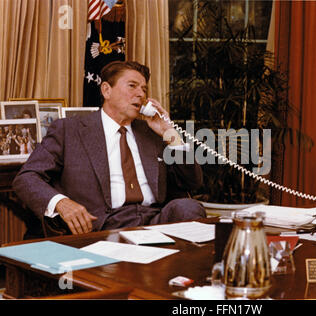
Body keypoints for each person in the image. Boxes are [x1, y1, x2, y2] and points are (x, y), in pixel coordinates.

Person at [13, 60, 205, 236]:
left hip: (154, 220)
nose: (141, 94)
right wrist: (61, 203)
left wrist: (170, 133)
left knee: (188, 208)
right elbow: (26, 178)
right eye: (132, 86)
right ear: (106, 90)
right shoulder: (69, 130)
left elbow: (192, 182)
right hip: (102, 225)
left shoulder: (152, 133)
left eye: (144, 89)